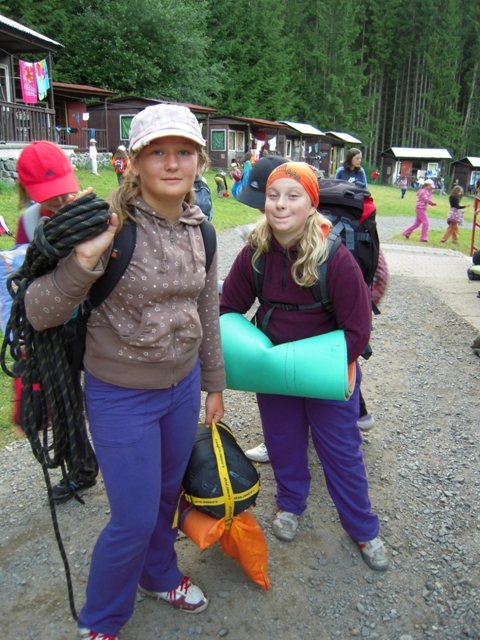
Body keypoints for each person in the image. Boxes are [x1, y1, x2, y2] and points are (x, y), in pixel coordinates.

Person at [24, 104, 226, 640]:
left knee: (165, 498)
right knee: (132, 518)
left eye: (183, 152)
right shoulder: (107, 226)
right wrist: (84, 260)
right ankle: (101, 619)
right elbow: (39, 311)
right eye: (157, 152)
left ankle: (158, 575)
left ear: (199, 161)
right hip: (121, 396)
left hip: (182, 390)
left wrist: (214, 385)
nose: (171, 163)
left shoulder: (202, 230)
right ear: (133, 162)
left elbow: (207, 310)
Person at [220, 161, 388, 571]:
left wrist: (312, 364)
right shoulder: (255, 253)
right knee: (283, 443)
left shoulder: (336, 257)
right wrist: (252, 355)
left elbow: (357, 331)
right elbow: (229, 309)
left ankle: (363, 527)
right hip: (273, 372)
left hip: (326, 374)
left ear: (311, 205)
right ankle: (290, 503)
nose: (280, 204)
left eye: (293, 196)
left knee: (341, 452)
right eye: (273, 195)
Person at [15, 140, 99, 503]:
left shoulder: (90, 212)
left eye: (63, 190)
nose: (60, 200)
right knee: (66, 402)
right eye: (50, 195)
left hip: (93, 322)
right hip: (52, 331)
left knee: (105, 394)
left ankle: (123, 457)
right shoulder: (28, 223)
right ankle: (81, 468)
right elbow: (22, 277)